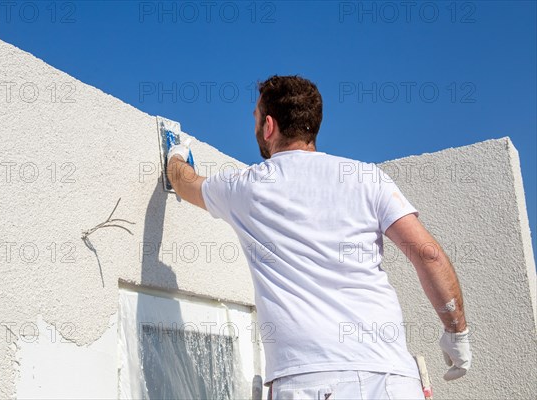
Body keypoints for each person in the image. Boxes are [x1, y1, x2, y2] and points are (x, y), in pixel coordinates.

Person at [166, 75, 471, 399]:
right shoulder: (365, 177)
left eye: (256, 117)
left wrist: (176, 156)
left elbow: (186, 184)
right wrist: (457, 333)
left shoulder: (246, 188)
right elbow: (428, 255)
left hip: (308, 381)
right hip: (390, 378)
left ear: (269, 126)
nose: (254, 124)